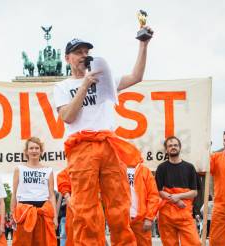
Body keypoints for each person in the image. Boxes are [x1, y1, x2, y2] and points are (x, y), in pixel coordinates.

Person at [53, 26, 153, 245]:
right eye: (78, 52)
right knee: (85, 209)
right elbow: (68, 116)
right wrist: (85, 85)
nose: (84, 55)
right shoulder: (62, 87)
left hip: (109, 144)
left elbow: (136, 76)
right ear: (68, 58)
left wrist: (143, 45)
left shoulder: (105, 78)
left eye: (86, 52)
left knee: (119, 205)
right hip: (81, 148)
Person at [10, 137, 57, 246]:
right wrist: (12, 214)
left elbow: (52, 195)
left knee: (43, 243)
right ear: (26, 151)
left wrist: (55, 216)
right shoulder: (19, 169)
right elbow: (14, 193)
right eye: (31, 148)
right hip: (24, 212)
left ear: (41, 151)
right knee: (22, 243)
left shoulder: (48, 170)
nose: (34, 150)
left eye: (37, 148)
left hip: (43, 211)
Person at [155, 136, 201, 246]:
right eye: (170, 146)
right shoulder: (161, 168)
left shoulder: (189, 167)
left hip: (184, 213)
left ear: (180, 148)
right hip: (166, 215)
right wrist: (175, 200)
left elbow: (194, 192)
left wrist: (178, 196)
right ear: (166, 150)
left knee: (194, 243)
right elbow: (158, 191)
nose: (173, 147)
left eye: (175, 145)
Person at [57, 167, 105, 246]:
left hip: (94, 211)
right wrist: (71, 201)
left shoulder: (96, 171)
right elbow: (65, 190)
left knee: (95, 239)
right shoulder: (66, 172)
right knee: (74, 239)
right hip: (75, 212)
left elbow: (102, 191)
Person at [127, 161, 160, 246]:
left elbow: (153, 196)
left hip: (141, 220)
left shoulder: (145, 171)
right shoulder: (116, 169)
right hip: (122, 220)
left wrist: (149, 218)